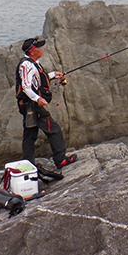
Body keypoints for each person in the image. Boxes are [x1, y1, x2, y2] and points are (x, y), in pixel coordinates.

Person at [15, 37, 76, 169]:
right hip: (31, 105)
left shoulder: (33, 63)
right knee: (53, 130)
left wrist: (53, 74)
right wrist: (38, 99)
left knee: (30, 134)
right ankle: (60, 160)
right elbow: (26, 87)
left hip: (28, 104)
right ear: (32, 51)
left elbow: (37, 79)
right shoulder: (26, 65)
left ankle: (28, 164)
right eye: (39, 47)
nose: (42, 49)